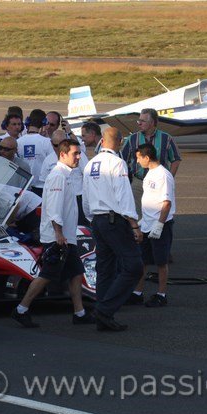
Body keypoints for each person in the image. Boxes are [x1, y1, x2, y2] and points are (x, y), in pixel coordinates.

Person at [12, 139, 93, 328]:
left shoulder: (66, 175)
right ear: (63, 155)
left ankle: (79, 313)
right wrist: (58, 234)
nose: (78, 157)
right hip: (58, 237)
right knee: (47, 274)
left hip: (66, 237)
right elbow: (54, 209)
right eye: (75, 154)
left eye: (79, 153)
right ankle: (21, 309)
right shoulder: (58, 176)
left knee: (76, 272)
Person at [82, 127, 144, 332]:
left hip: (98, 220)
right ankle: (105, 309)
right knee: (133, 266)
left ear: (102, 140)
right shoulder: (117, 163)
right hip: (113, 220)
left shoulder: (91, 164)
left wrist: (92, 218)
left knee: (105, 269)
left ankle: (103, 314)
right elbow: (123, 194)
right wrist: (133, 223)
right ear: (120, 141)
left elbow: (85, 197)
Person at [130, 144, 175, 307]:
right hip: (147, 224)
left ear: (147, 157)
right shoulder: (149, 174)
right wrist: (143, 221)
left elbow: (167, 203)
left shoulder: (163, 175)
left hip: (159, 225)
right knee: (143, 260)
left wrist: (160, 224)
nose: (137, 161)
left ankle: (161, 295)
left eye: (138, 158)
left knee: (161, 262)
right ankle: (137, 293)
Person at [120, 108, 181, 225]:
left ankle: (158, 231)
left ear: (152, 122)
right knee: (136, 215)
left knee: (158, 214)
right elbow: (123, 160)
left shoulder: (166, 138)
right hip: (138, 182)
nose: (139, 123)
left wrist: (169, 178)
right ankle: (140, 235)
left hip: (158, 184)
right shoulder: (133, 138)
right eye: (139, 120)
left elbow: (176, 159)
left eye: (143, 121)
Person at [18, 109, 54, 196]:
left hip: (23, 187)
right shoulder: (47, 142)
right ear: (44, 123)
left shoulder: (18, 142)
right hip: (42, 187)